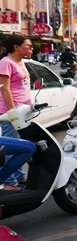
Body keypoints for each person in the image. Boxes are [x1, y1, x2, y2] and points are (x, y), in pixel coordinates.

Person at [0, 34, 34, 189]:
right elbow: (4, 89)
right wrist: (12, 111)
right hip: (11, 112)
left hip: (23, 111)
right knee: (10, 147)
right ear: (16, 47)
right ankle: (9, 181)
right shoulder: (6, 62)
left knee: (20, 145)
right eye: (28, 46)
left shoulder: (21, 62)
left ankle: (19, 176)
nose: (31, 48)